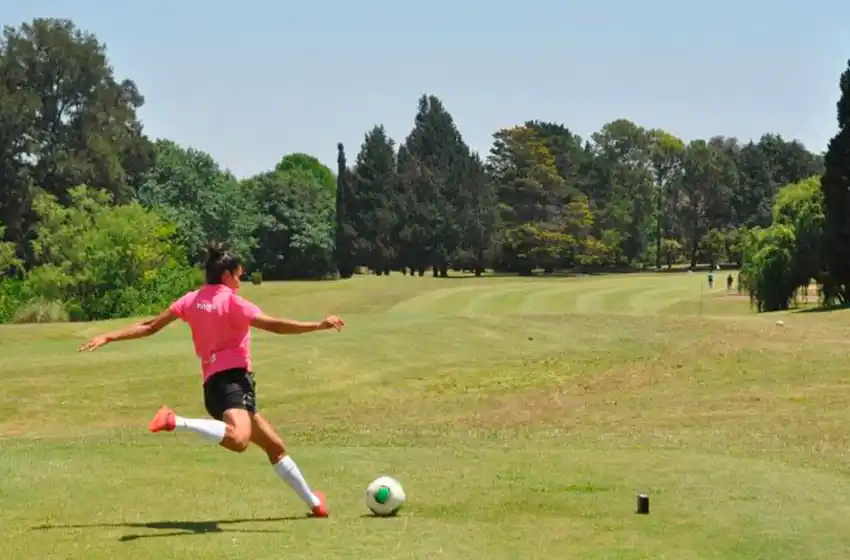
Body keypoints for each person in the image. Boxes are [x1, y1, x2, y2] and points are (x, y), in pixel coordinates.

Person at [78, 242, 344, 518]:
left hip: (214, 386)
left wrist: (108, 335)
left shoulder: (190, 300)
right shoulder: (232, 302)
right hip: (234, 383)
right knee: (240, 439)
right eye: (239, 274)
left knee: (274, 446)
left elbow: (149, 326)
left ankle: (315, 503)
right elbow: (275, 325)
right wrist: (318, 325)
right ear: (227, 274)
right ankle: (175, 421)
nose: (241, 278)